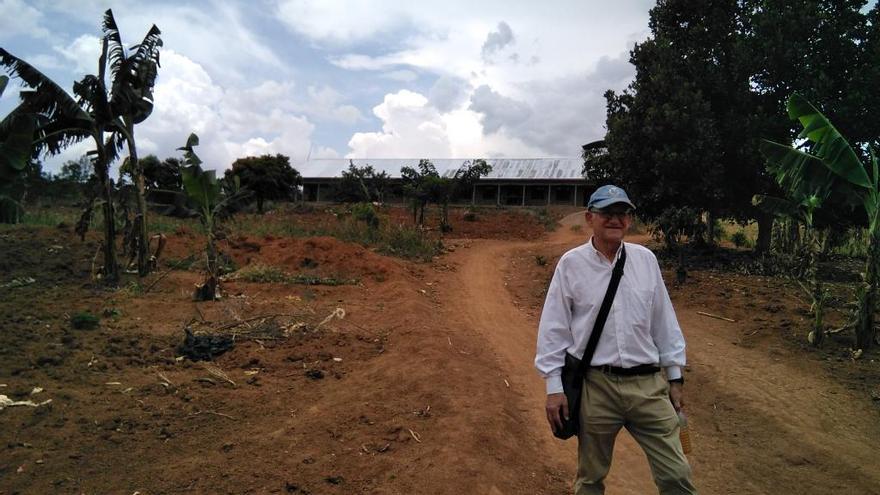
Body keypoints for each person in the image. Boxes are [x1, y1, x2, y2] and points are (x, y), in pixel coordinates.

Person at [534, 184, 697, 495]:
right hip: (597, 386)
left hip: (648, 386)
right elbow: (554, 327)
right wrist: (554, 387)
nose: (616, 219)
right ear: (589, 218)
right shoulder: (571, 264)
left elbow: (663, 320)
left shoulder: (645, 260)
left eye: (623, 213)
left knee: (676, 475)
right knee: (590, 480)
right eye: (607, 213)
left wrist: (675, 377)